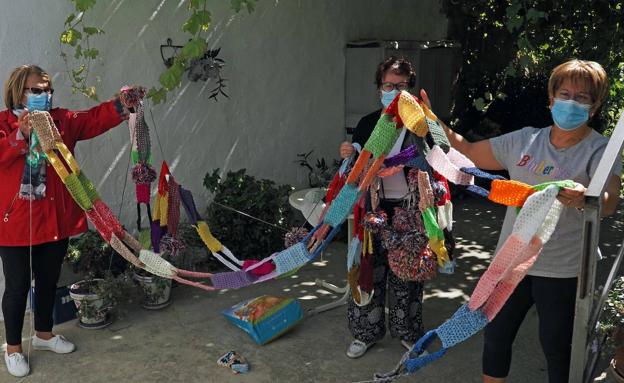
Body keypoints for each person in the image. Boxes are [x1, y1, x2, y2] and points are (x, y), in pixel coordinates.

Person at [430, 59, 621, 382]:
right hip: (511, 263)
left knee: (557, 349)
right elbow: (470, 152)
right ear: (551, 98)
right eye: (564, 93)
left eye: (582, 97)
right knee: (495, 337)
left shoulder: (600, 149)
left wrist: (586, 198)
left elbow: (609, 202)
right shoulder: (525, 141)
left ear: (595, 104)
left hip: (562, 269)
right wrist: (431, 121)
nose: (571, 102)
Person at [0, 64, 142, 377]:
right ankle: (12, 349)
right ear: (18, 91)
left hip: (54, 222)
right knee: (18, 286)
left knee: (48, 280)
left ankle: (44, 335)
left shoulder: (61, 121)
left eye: (47, 90)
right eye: (36, 90)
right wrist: (19, 135)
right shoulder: (1, 124)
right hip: (14, 226)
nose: (44, 95)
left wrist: (122, 104)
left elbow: (93, 120)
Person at [339, 57, 425, 358]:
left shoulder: (420, 125)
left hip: (409, 209)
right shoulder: (367, 124)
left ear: (410, 90)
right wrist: (349, 153)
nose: (395, 91)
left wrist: (399, 161)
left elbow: (433, 162)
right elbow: (356, 168)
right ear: (380, 89)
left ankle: (408, 332)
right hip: (372, 209)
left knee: (406, 274)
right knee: (367, 270)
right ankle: (365, 332)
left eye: (401, 86)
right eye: (389, 85)